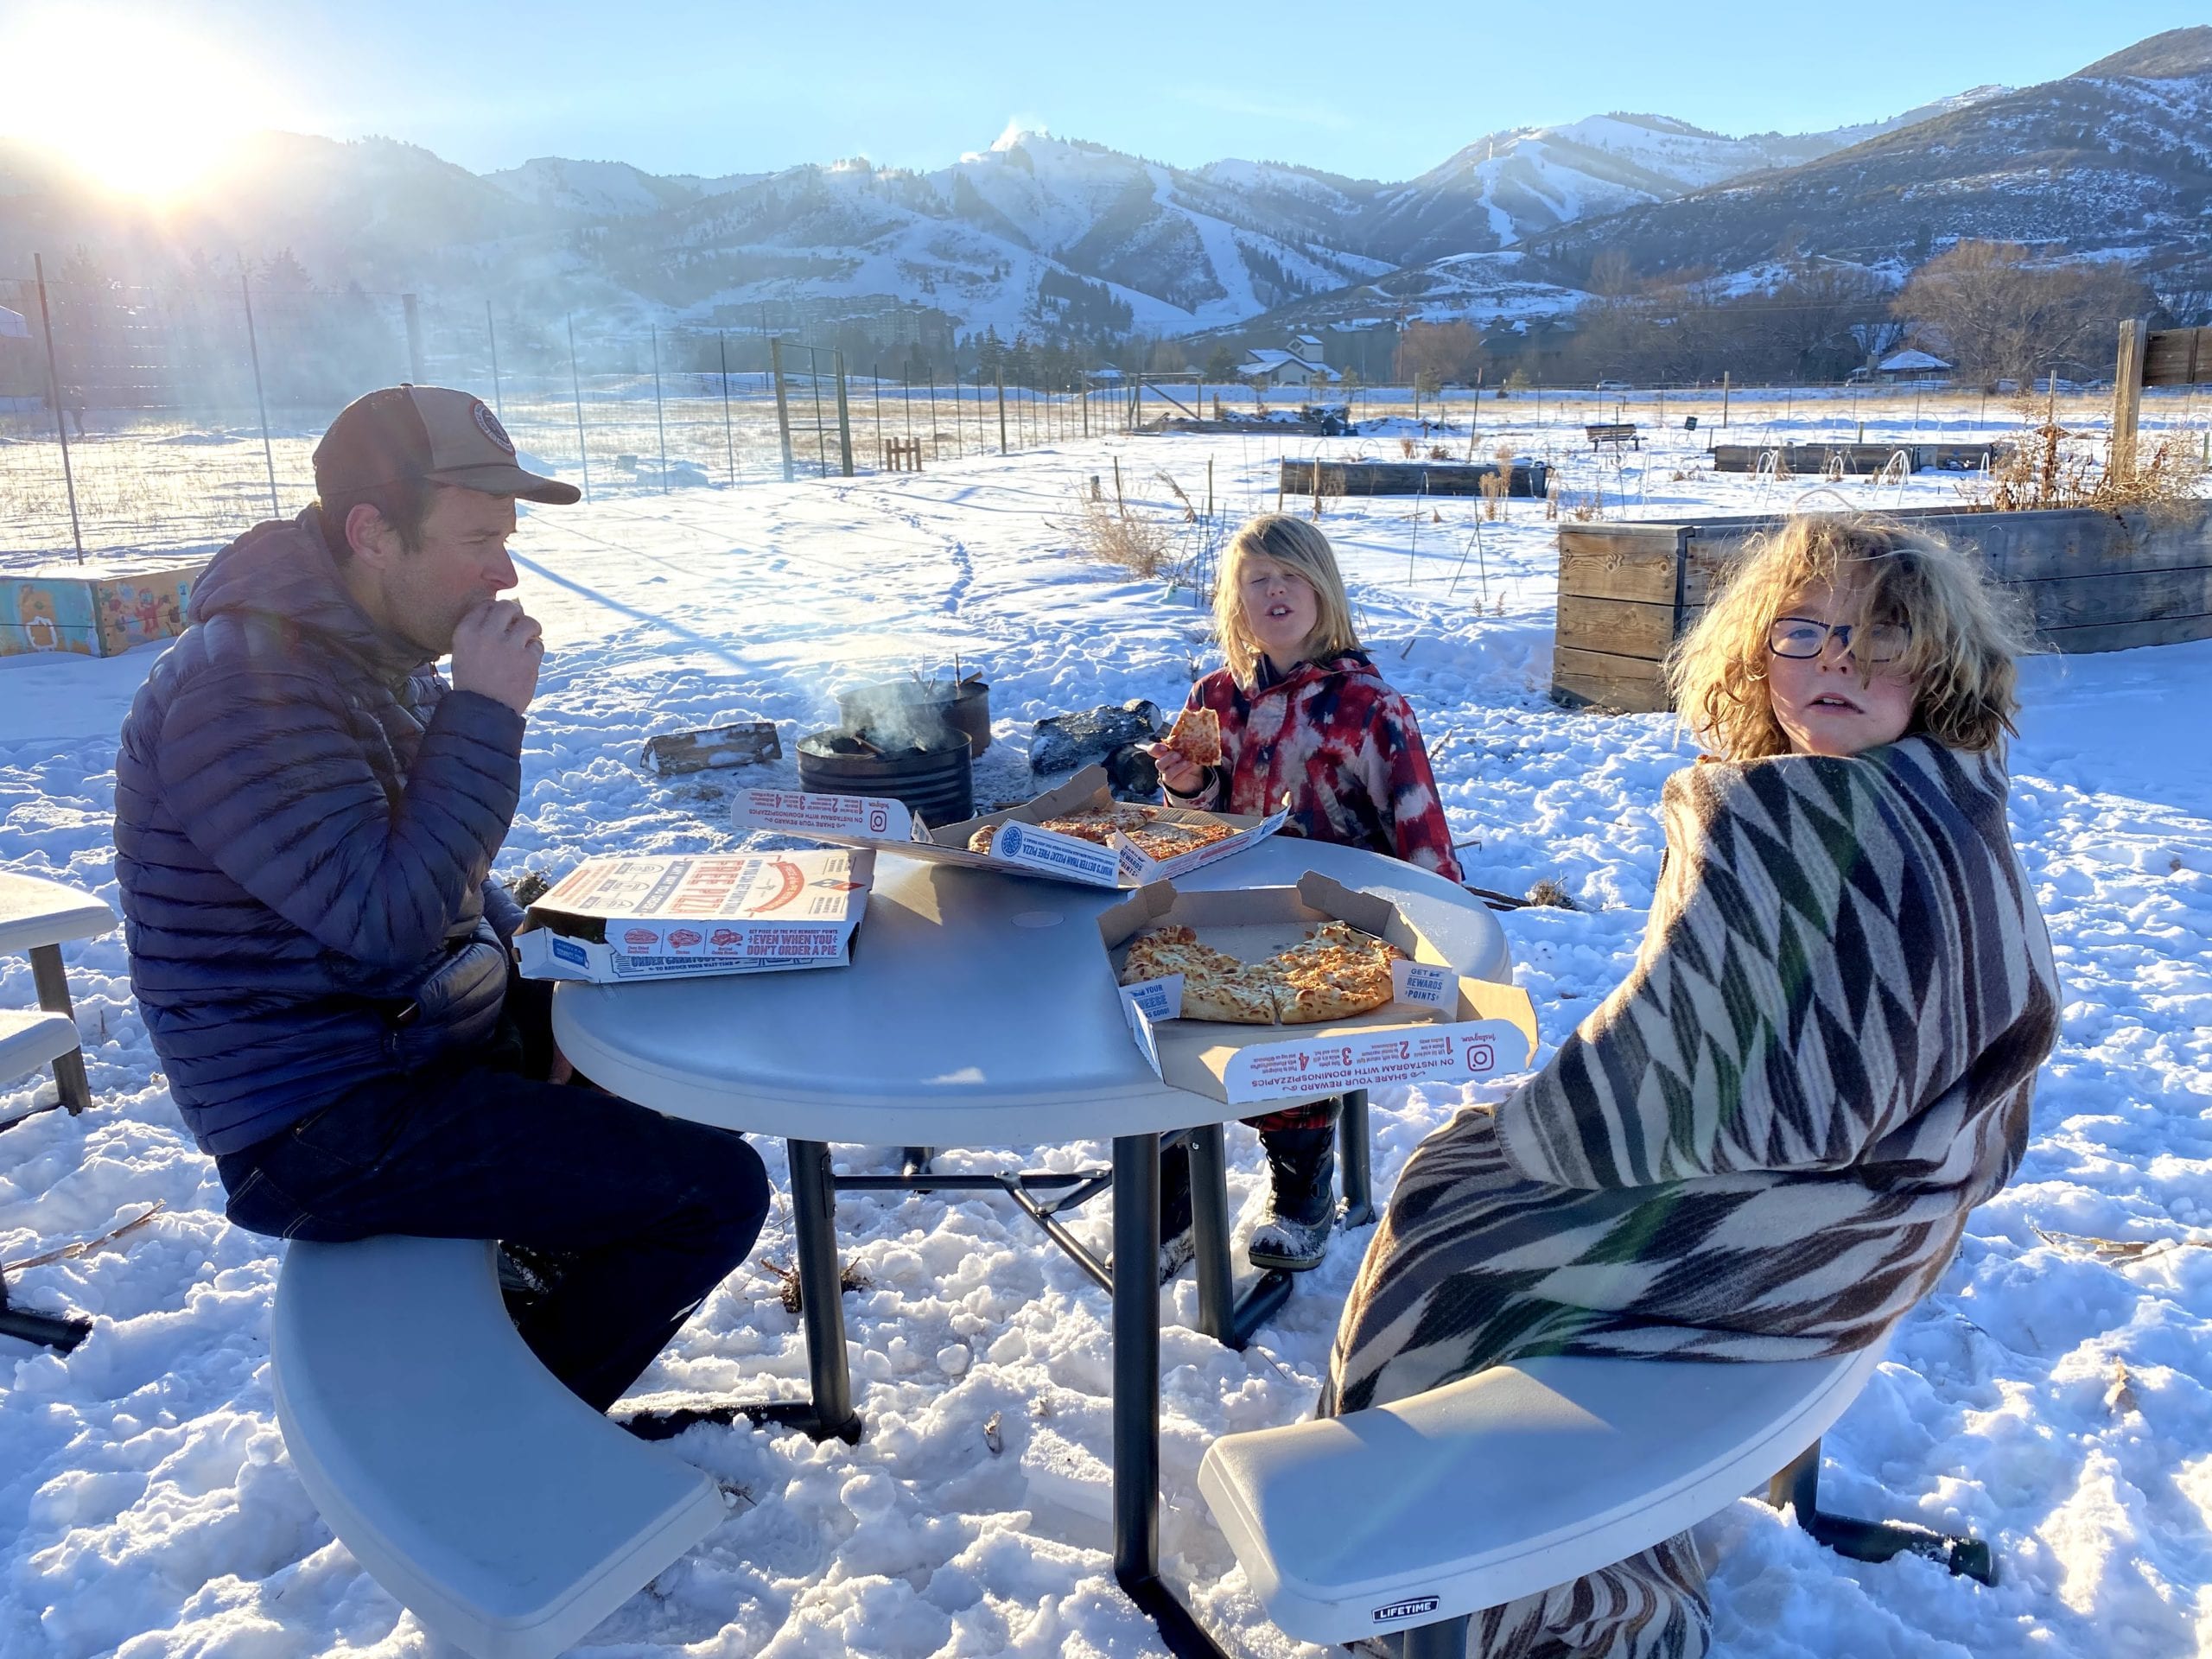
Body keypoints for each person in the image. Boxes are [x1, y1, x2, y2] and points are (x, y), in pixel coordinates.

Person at [1325, 515, 2060, 1658]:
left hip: (1813, 1238)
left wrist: (1526, 1130)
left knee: (1447, 1218)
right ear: (1756, 654)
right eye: (1802, 631)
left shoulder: (1834, 822)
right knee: (1460, 1179)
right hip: (1889, 1213)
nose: (1834, 661)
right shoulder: (1938, 795)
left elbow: (1702, 1095)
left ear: (1939, 660)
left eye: (1879, 633)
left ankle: (1483, 1592)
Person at [113, 385, 770, 1414]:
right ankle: (512, 1430)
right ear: (373, 533)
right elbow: (388, 918)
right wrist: (483, 716)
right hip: (318, 1116)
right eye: (477, 539)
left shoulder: (368, 654)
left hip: (399, 1041)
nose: (503, 573)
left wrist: (540, 971)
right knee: (713, 1195)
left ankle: (531, 1290)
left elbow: (449, 876)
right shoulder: (243, 688)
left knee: (640, 1015)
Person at [1150, 513, 1460, 1276]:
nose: (1275, 590)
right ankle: (1174, 1196)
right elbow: (1193, 824)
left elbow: (1419, 828)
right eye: (1257, 580)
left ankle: (1301, 1192)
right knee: (1157, 1018)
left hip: (1328, 925)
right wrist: (1186, 787)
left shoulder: (1368, 708)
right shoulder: (1213, 696)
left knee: (1286, 1040)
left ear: (1323, 589)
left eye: (1290, 575)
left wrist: (1442, 937)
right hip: (1220, 911)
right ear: (1236, 602)